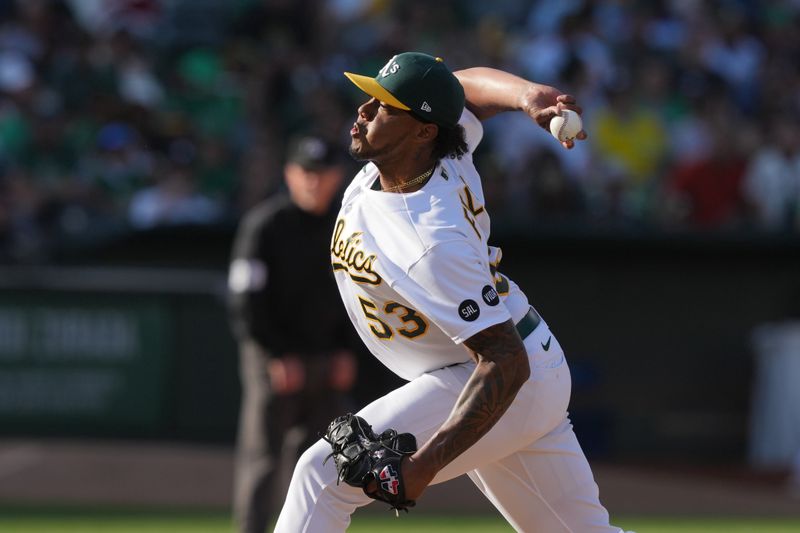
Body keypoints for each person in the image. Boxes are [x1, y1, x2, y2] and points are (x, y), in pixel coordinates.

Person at [275, 52, 625, 532]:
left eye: (383, 107)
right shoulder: (430, 150)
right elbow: (460, 86)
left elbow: (504, 362)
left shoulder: (430, 239)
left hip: (496, 374)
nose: (364, 111)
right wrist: (527, 97)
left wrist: (422, 467)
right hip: (517, 360)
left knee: (321, 476)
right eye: (370, 97)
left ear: (422, 131)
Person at [228, 136, 359, 533]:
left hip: (325, 357)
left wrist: (346, 350)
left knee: (322, 460)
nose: (314, 182)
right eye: (306, 173)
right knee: (263, 459)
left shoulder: (347, 226)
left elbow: (362, 295)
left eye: (322, 173)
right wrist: (275, 354)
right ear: (289, 174)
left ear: (337, 176)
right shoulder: (265, 226)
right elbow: (243, 301)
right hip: (274, 359)